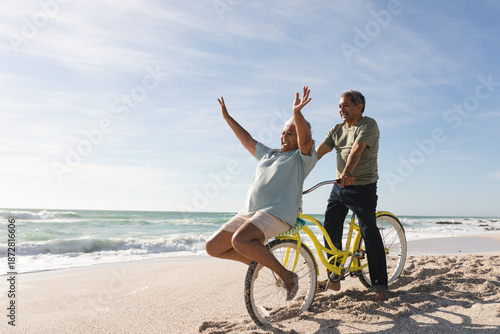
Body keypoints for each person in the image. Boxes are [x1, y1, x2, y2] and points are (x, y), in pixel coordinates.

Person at [205, 86, 317, 301]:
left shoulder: (302, 158)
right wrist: (227, 118)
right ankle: (255, 261)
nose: (285, 135)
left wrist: (297, 113)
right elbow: (246, 139)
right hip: (249, 212)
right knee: (213, 247)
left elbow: (305, 140)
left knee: (240, 240)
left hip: (278, 212)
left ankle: (287, 275)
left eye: (290, 132)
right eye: (284, 131)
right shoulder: (269, 154)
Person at [316, 90, 388, 301]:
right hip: (340, 186)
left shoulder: (368, 124)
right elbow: (318, 152)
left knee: (369, 231)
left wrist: (347, 171)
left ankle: (380, 286)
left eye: (346, 105)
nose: (341, 109)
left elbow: (357, 148)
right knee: (330, 227)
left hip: (363, 186)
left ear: (359, 107)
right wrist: (299, 169)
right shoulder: (336, 130)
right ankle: (335, 278)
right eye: (340, 106)